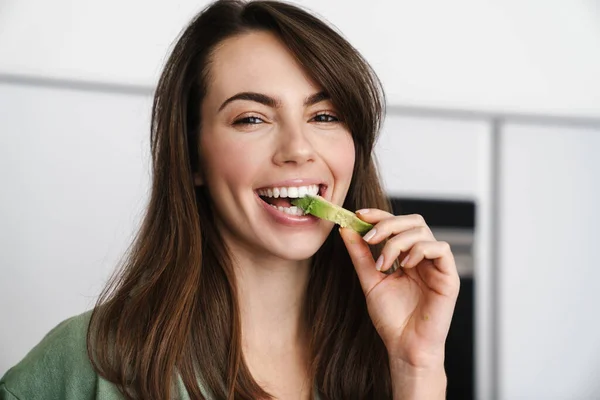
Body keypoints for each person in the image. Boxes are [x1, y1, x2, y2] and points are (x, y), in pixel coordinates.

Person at [0, 1, 460, 399]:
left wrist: (416, 367)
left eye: (324, 115)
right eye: (251, 119)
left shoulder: (391, 359)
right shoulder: (84, 367)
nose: (299, 149)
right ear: (193, 155)